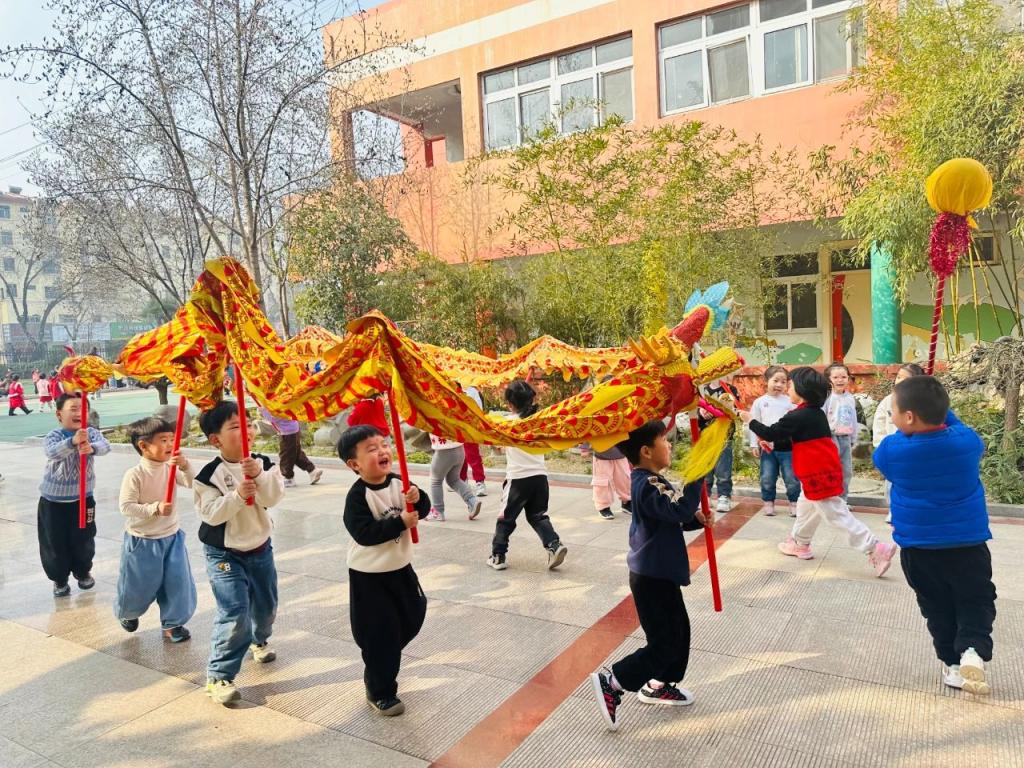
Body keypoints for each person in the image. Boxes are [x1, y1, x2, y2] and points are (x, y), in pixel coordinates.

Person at [873, 376, 996, 695]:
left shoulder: (893, 451)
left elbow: (883, 456)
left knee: (936, 607)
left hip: (919, 550)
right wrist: (938, 411)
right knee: (975, 599)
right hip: (968, 545)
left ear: (909, 417)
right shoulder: (967, 443)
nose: (892, 418)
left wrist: (912, 426)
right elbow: (954, 425)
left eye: (893, 412)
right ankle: (973, 648)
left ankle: (952, 665)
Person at [589, 420, 706, 731]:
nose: (669, 445)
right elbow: (677, 509)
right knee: (664, 642)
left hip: (660, 573)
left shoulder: (653, 481)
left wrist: (694, 519)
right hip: (651, 577)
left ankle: (659, 684)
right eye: (664, 441)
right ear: (646, 451)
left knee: (678, 633)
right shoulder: (646, 484)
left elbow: (671, 515)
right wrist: (697, 477)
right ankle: (613, 682)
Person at [740, 367, 897, 576]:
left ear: (802, 390)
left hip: (816, 475)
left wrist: (750, 420)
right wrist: (772, 443)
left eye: (790, 385)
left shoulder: (797, 415)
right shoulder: (814, 414)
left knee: (836, 514)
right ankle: (800, 543)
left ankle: (874, 547)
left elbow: (771, 432)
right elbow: (793, 439)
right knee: (806, 508)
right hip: (819, 473)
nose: (787, 389)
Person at [194, 400, 285, 705]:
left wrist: (258, 475)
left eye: (248, 423)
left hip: (260, 547)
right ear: (215, 439)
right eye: (235, 426)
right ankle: (218, 676)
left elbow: (273, 497)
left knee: (266, 606)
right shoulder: (208, 475)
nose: (246, 430)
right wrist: (236, 496)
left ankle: (259, 640)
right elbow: (211, 514)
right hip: (224, 554)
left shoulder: (263, 463)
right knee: (234, 611)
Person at [339, 424, 431, 716]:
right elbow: (364, 533)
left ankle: (383, 654)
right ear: (354, 464)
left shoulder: (399, 481)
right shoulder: (357, 496)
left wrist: (419, 499)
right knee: (380, 635)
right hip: (369, 576)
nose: (382, 451)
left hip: (401, 568)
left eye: (384, 444)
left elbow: (422, 508)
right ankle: (380, 691)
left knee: (414, 613)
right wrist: (400, 522)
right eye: (371, 449)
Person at [114, 417, 197, 643]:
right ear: (143, 445)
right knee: (138, 585)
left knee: (177, 582)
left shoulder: (171, 467)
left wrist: (185, 466)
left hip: (172, 536)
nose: (170, 444)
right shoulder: (135, 474)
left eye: (172, 439)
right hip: (142, 540)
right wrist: (155, 508)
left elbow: (192, 482)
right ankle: (128, 612)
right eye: (163, 440)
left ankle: (173, 623)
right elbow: (126, 506)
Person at [487, 380, 567, 571]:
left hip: (518, 480)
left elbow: (494, 441)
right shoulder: (539, 422)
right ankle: (554, 544)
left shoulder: (506, 423)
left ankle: (498, 555)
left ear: (510, 404)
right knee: (538, 516)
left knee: (506, 518)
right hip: (540, 478)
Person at [39, 392, 111, 596]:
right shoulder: (55, 435)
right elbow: (51, 452)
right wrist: (72, 442)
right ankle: (59, 578)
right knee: (54, 541)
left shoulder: (90, 433)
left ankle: (83, 571)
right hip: (53, 501)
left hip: (83, 499)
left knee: (84, 537)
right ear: (59, 414)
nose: (79, 413)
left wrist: (91, 448)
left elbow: (105, 446)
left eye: (83, 409)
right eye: (73, 409)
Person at [872, 363, 925, 523]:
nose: (900, 381)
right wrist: (880, 444)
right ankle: (893, 509)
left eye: (905, 378)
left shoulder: (921, 402)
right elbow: (879, 422)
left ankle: (912, 507)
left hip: (915, 447)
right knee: (892, 480)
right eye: (898, 377)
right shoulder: (888, 401)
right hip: (893, 448)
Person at [747, 366, 801, 517]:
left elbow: (797, 421)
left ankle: (794, 502)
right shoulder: (759, 402)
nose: (779, 385)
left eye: (783, 382)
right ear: (766, 381)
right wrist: (753, 444)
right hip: (767, 448)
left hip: (788, 448)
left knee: (791, 477)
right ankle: (768, 502)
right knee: (767, 477)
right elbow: (753, 423)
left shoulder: (790, 401)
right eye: (775, 380)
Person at [701, 377, 740, 513]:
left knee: (723, 470)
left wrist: (719, 409)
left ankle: (724, 496)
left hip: (724, 437)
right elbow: (695, 407)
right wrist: (701, 411)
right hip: (705, 437)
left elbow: (735, 411)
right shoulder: (702, 390)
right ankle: (705, 496)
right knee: (705, 470)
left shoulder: (730, 390)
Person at [258, 406, 323, 488]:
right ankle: (312, 470)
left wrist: (263, 411)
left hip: (288, 433)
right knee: (296, 454)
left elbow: (273, 419)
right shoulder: (283, 402)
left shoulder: (279, 405)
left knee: (286, 456)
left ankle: (288, 478)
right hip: (292, 430)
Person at [425, 433, 482, 522]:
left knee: (436, 481)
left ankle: (438, 512)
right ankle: (472, 501)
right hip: (459, 449)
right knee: (454, 480)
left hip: (443, 451)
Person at [823, 362, 857, 499]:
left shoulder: (850, 398)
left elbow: (853, 418)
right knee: (831, 469)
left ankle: (843, 499)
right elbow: (821, 417)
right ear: (829, 380)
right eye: (836, 377)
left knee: (846, 471)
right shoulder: (827, 398)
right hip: (831, 437)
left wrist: (853, 437)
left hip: (846, 438)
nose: (840, 380)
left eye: (843, 377)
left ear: (848, 378)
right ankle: (830, 498)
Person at [459, 386, 488, 497]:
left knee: (473, 456)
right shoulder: (451, 386)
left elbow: (479, 410)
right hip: (456, 428)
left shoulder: (472, 391)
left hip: (470, 428)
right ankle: (462, 482)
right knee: (459, 457)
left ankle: (480, 482)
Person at [592, 443, 632, 520]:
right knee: (603, 482)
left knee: (625, 479)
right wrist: (584, 448)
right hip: (601, 456)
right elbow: (586, 435)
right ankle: (603, 507)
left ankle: (627, 502)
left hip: (621, 453)